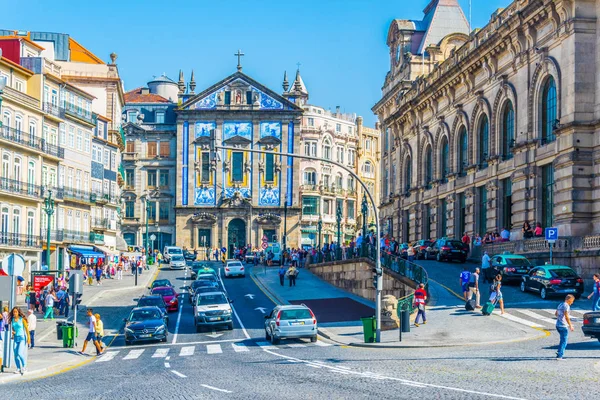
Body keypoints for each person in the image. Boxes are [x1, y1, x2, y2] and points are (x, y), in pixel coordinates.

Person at [9, 307, 30, 375]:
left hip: (22, 338)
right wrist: (13, 332)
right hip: (15, 338)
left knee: (20, 353)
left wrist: (29, 338)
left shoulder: (22, 319)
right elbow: (14, 328)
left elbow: (26, 329)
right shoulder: (12, 320)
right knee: (15, 354)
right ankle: (18, 368)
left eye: (16, 312)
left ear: (18, 312)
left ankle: (24, 367)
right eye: (13, 312)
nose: (14, 313)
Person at [555, 294, 575, 360]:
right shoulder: (566, 306)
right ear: (569, 299)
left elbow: (556, 314)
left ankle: (559, 352)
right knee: (564, 341)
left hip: (558, 324)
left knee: (562, 340)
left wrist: (560, 318)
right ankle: (560, 355)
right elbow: (566, 316)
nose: (572, 302)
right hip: (563, 325)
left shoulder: (560, 304)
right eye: (572, 301)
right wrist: (570, 325)